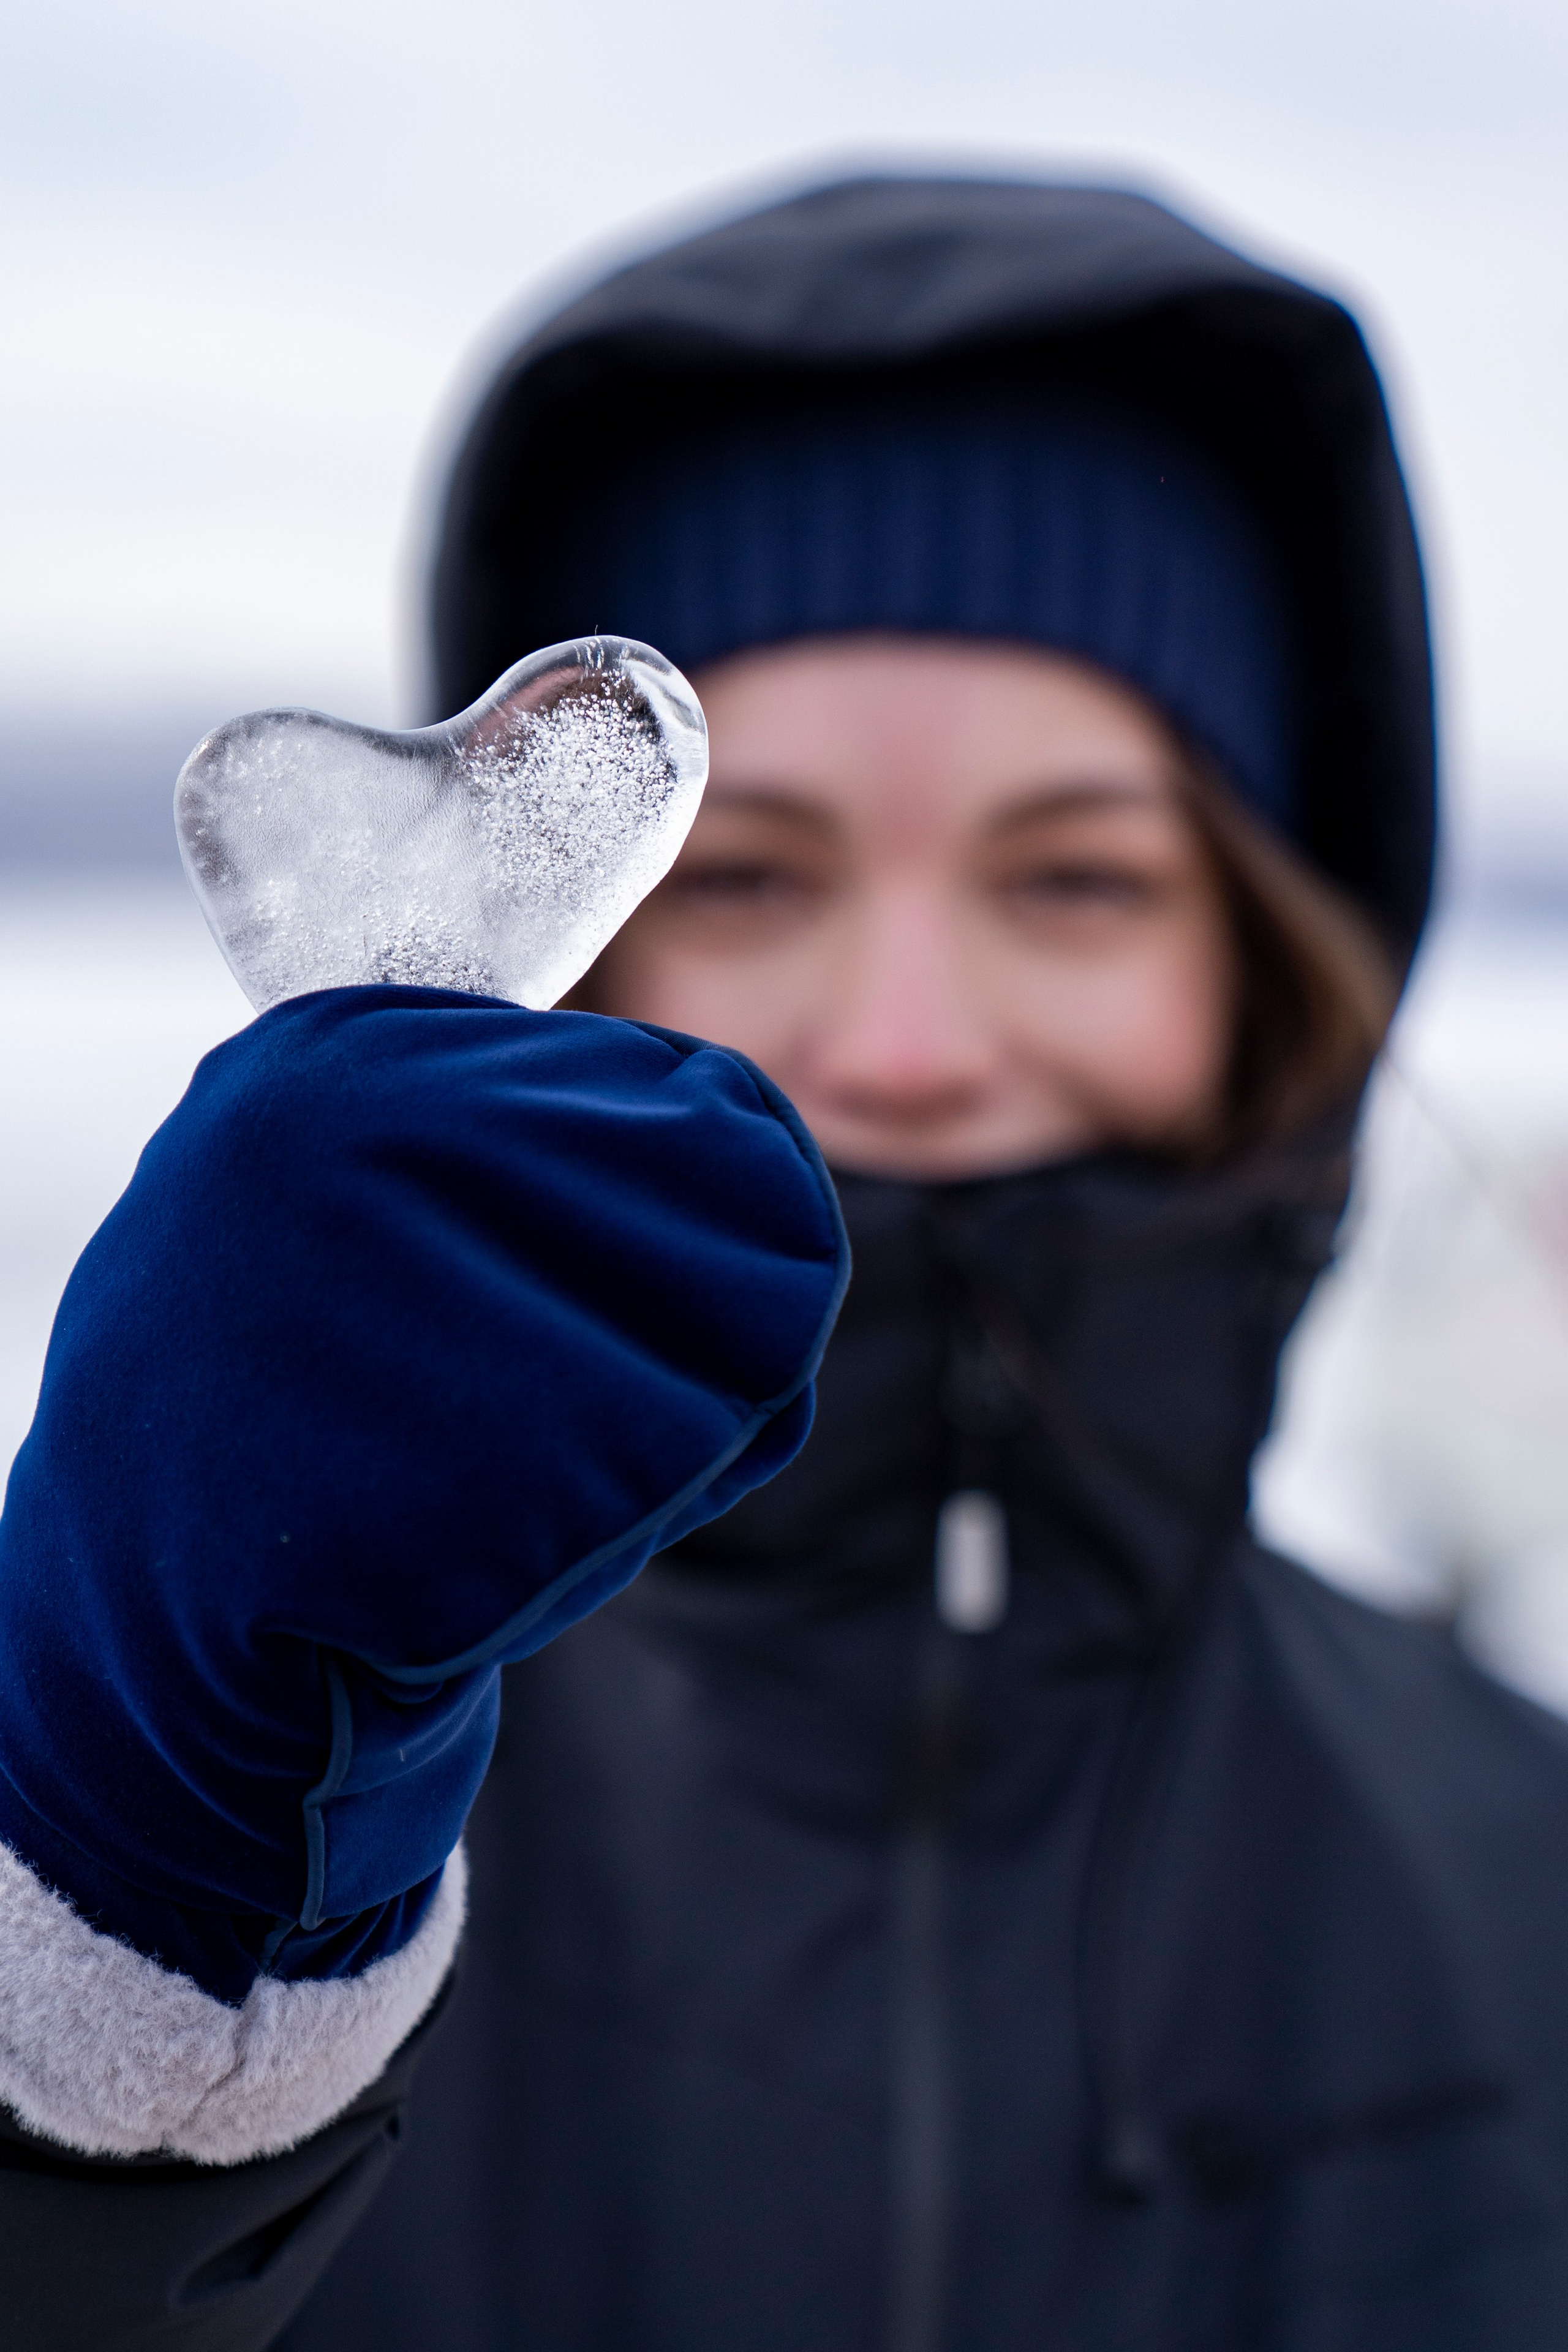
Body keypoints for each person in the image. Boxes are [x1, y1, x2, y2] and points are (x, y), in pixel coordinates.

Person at [6, 173, 1568, 2351]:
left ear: (1278, 970)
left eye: (1080, 881)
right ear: (578, 936)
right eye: (745, 872)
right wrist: (92, 1998)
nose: (906, 1049)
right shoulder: (271, 1834)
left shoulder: (1532, 1867)